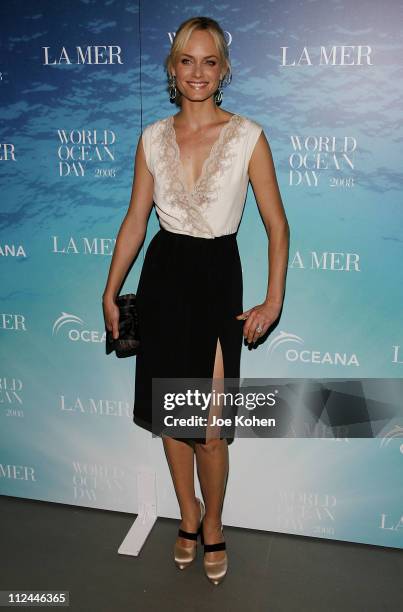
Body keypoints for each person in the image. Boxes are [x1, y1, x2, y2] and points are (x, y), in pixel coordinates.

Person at [102, 16, 289, 585]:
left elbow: (277, 227)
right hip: (164, 277)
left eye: (209, 61)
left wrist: (272, 298)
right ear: (172, 68)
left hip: (215, 278)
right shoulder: (152, 137)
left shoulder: (249, 136)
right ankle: (187, 514)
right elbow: (137, 219)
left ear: (223, 68)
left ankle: (215, 524)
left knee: (208, 424)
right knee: (172, 417)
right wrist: (109, 290)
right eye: (187, 60)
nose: (198, 72)